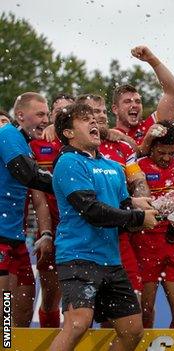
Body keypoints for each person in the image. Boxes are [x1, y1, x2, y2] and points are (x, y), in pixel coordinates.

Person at [48, 103, 157, 351]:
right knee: (78, 323)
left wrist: (135, 203)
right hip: (78, 257)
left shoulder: (111, 166)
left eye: (95, 119)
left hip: (110, 261)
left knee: (132, 331)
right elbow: (93, 211)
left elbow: (118, 205)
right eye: (85, 120)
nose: (94, 123)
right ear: (68, 133)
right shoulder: (68, 162)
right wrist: (139, 218)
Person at [78, 93, 150, 295]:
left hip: (118, 235)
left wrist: (143, 201)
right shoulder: (72, 149)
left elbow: (138, 179)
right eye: (93, 112)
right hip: (83, 238)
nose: (100, 116)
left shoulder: (123, 146)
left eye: (102, 111)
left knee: (133, 299)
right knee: (83, 312)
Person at [0, 92, 54, 327]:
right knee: (4, 315)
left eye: (47, 114)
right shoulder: (8, 135)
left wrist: (46, 233)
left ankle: (11, 346)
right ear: (20, 115)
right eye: (40, 114)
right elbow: (28, 174)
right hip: (1, 237)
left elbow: (38, 196)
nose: (46, 119)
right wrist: (70, 185)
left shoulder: (25, 144)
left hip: (16, 238)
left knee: (21, 311)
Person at [133, 122, 174, 328]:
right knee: (144, 313)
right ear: (151, 148)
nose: (167, 158)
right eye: (161, 152)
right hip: (144, 243)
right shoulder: (137, 165)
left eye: (171, 152)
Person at [29, 92, 74, 328]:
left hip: (78, 232)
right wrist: (46, 233)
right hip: (50, 229)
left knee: (74, 302)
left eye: (68, 111)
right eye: (58, 111)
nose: (63, 115)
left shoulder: (82, 143)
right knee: (50, 298)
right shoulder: (38, 144)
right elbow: (38, 197)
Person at [112, 46, 174, 150]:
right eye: (127, 102)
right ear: (115, 109)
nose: (134, 105)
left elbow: (173, 93)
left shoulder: (152, 125)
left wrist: (152, 60)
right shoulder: (110, 136)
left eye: (138, 101)